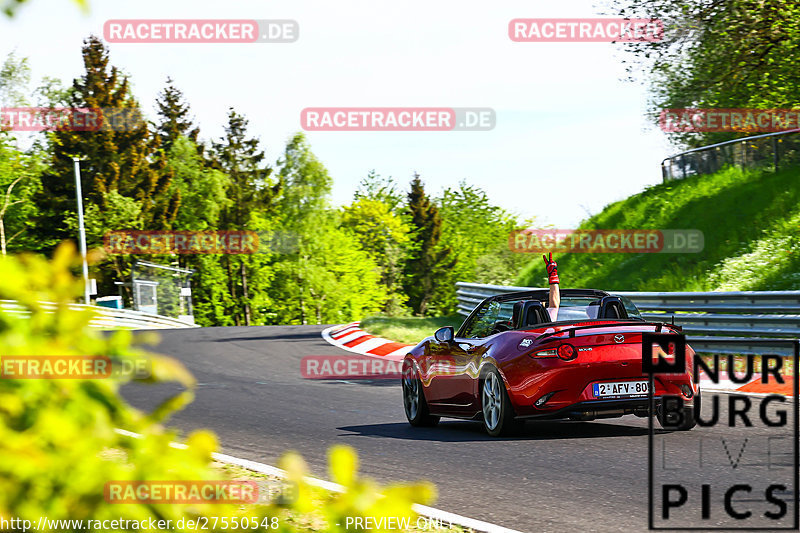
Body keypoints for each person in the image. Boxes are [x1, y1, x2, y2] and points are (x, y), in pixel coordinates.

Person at [543, 252, 560, 321]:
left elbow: (554, 307)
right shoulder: (549, 327)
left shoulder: (516, 330)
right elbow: (554, 306)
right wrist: (553, 275)